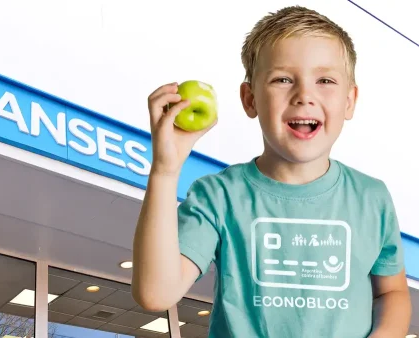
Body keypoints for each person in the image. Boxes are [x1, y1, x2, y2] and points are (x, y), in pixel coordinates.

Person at [131, 5, 412, 338]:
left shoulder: (371, 197)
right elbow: (156, 294)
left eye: (325, 80)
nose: (304, 95)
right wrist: (165, 170)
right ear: (250, 99)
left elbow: (391, 292)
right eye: (282, 79)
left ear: (349, 100)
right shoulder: (219, 196)